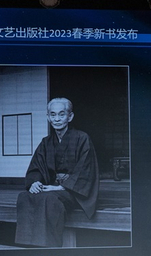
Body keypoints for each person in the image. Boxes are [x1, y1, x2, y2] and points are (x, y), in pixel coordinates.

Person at [15, 98, 99, 247]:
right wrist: (35, 182)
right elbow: (36, 167)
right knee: (24, 196)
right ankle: (27, 245)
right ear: (48, 117)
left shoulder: (82, 138)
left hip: (73, 191)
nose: (57, 119)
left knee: (48, 199)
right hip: (51, 188)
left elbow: (86, 170)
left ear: (70, 117)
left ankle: (49, 246)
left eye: (61, 114)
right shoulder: (46, 142)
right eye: (53, 115)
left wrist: (61, 187)